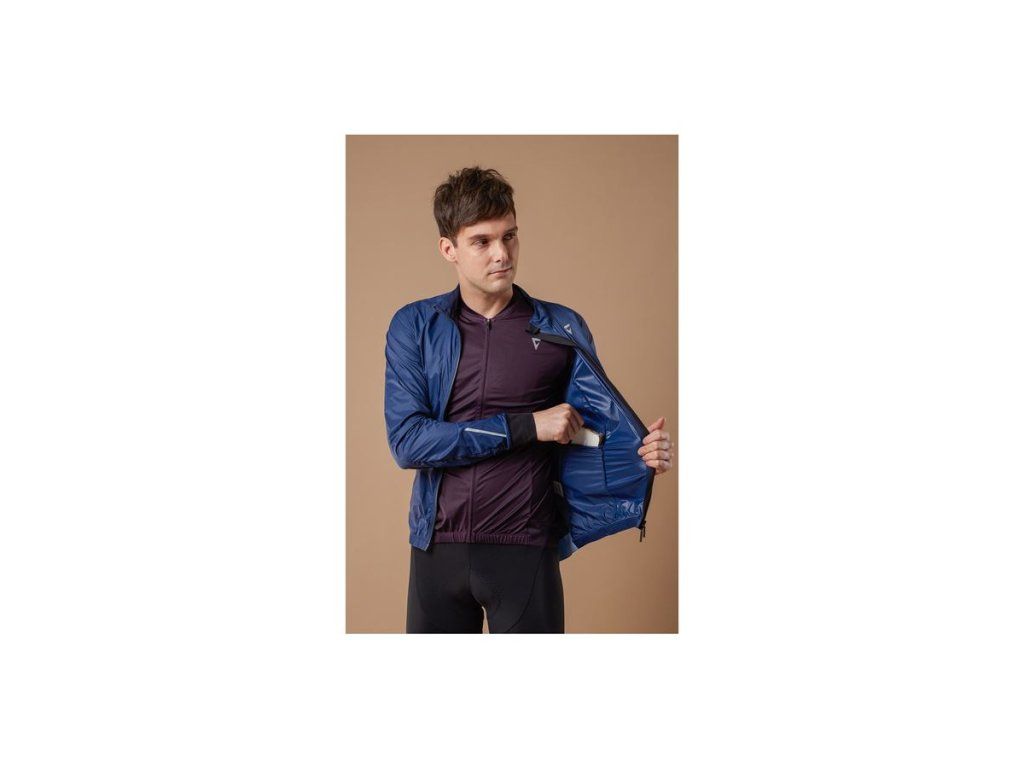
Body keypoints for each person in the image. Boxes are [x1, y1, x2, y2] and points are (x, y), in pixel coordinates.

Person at [385, 167, 672, 633]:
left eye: (510, 236)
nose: (502, 254)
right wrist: (526, 425)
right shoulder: (415, 326)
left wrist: (641, 454)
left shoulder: (562, 329)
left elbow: (592, 435)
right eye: (482, 241)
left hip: (525, 551)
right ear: (448, 249)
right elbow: (409, 442)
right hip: (437, 550)